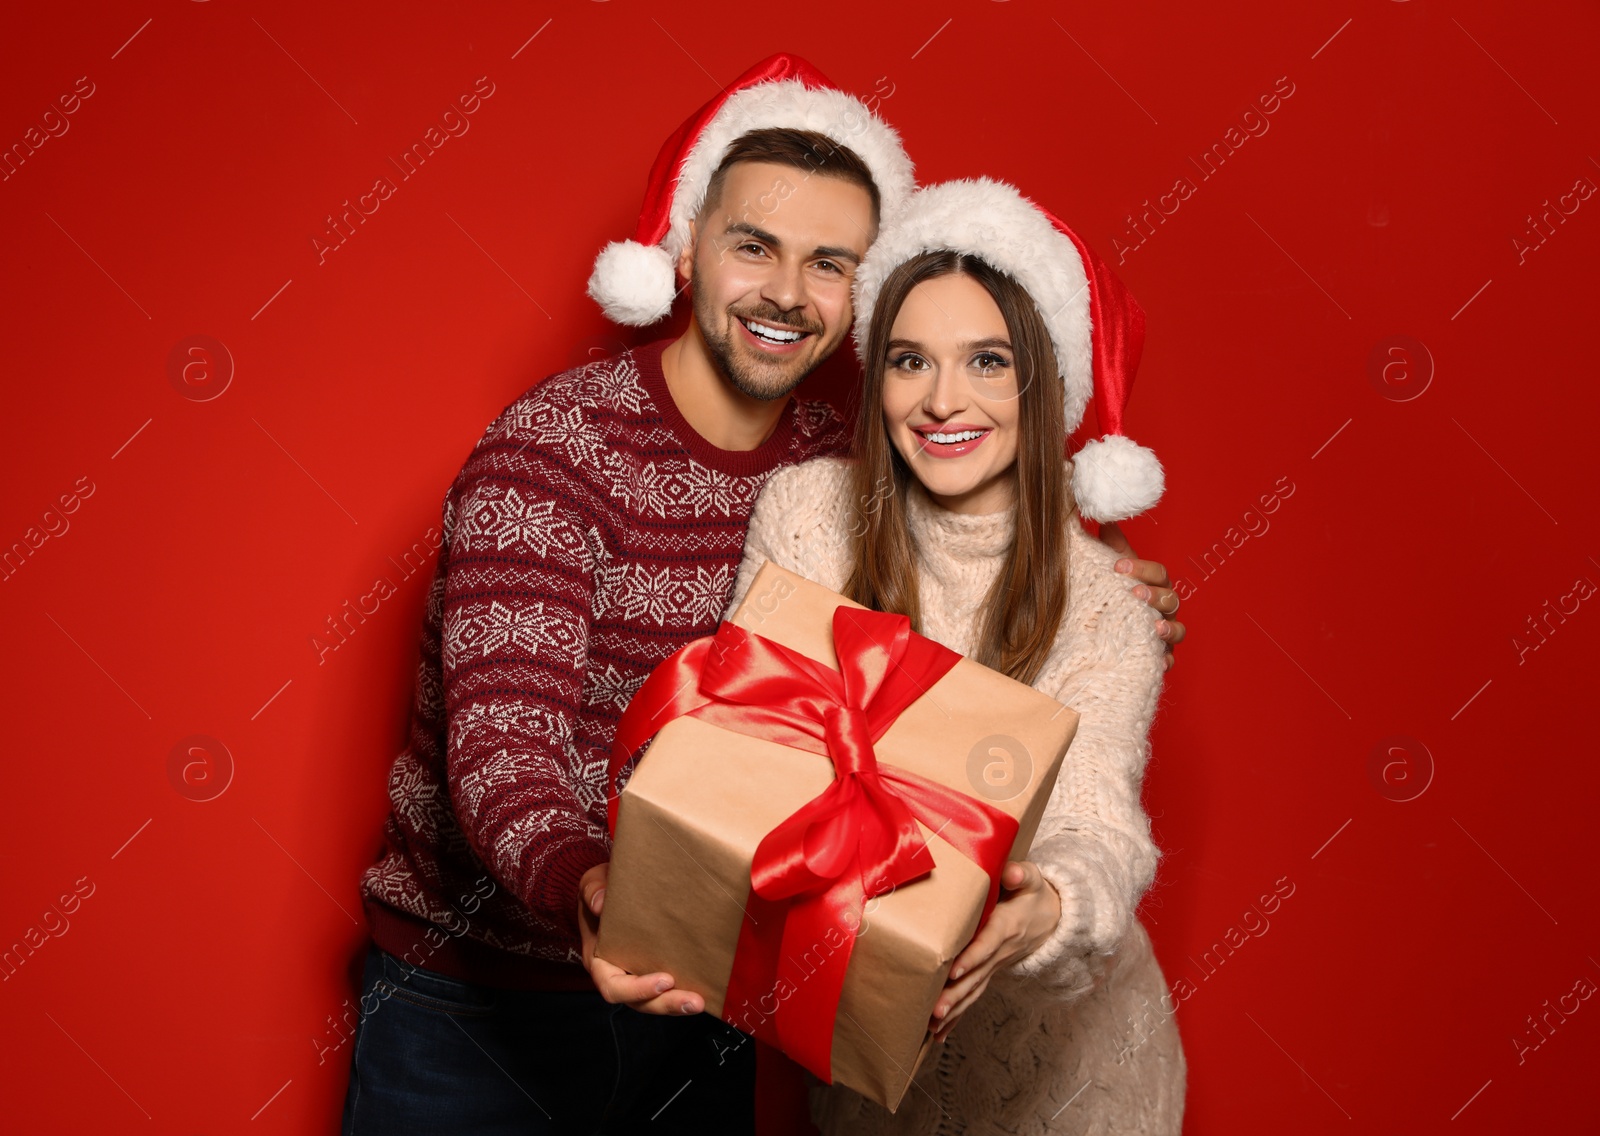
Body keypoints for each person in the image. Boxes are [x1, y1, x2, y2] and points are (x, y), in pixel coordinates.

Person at [341, 53, 1183, 1133]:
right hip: (485, 994)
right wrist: (590, 885)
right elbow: (505, 746)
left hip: (712, 992)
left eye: (829, 261)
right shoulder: (553, 452)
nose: (787, 292)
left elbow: (984, 581)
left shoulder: (845, 473)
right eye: (754, 246)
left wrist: (1102, 576)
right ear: (687, 249)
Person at [721, 178, 1185, 1135]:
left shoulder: (1109, 602)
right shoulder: (809, 515)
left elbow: (1100, 823)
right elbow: (757, 740)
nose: (941, 402)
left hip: (1074, 1081)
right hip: (868, 1062)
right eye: (908, 361)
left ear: (1045, 380)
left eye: (987, 361)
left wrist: (1047, 908)